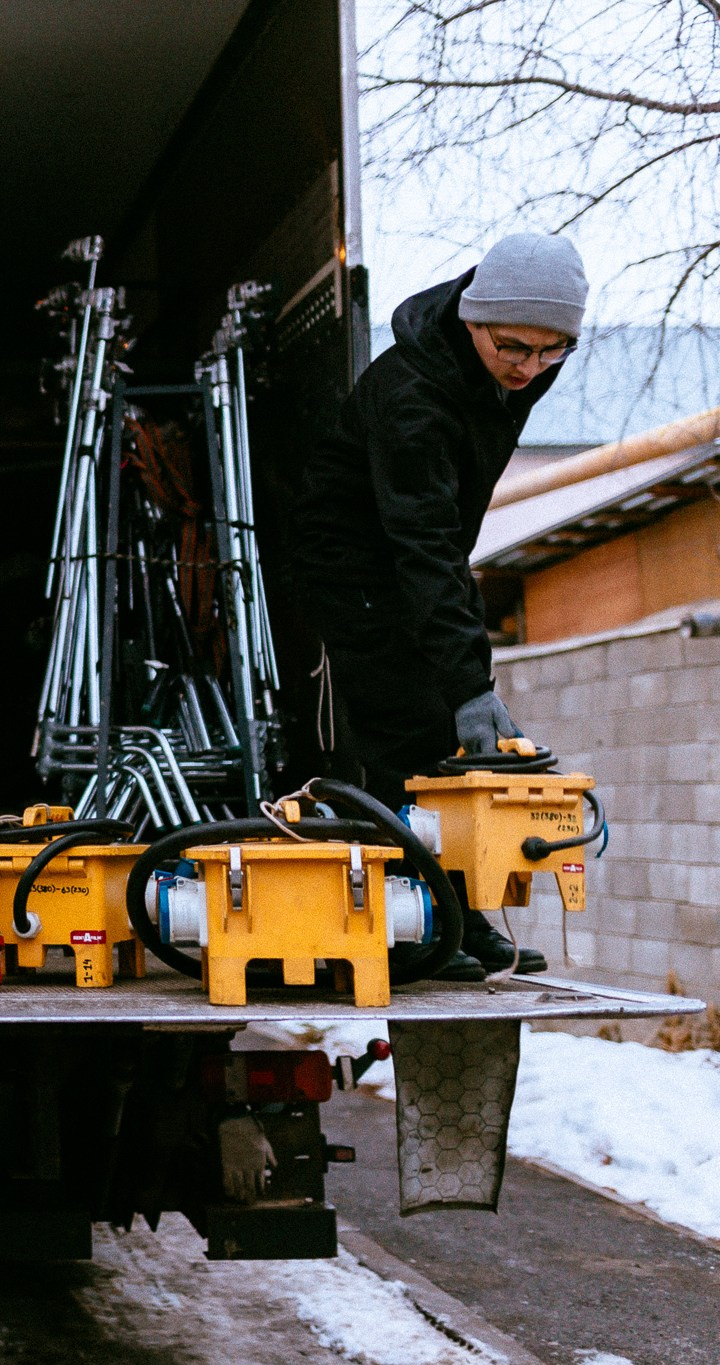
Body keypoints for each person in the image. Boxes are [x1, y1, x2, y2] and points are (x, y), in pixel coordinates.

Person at [295, 232, 587, 980]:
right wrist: (467, 684)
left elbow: (438, 540)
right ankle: (413, 922)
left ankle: (455, 913)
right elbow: (419, 540)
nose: (528, 367)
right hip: (354, 558)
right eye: (513, 346)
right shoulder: (413, 397)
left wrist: (464, 676)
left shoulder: (508, 374)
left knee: (449, 747)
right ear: (472, 317)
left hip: (421, 551)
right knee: (409, 728)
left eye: (551, 351)